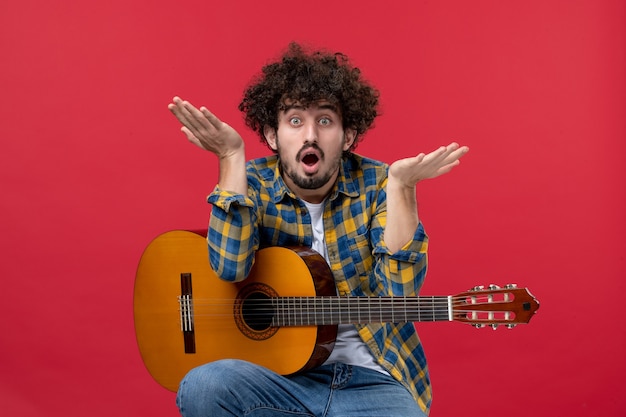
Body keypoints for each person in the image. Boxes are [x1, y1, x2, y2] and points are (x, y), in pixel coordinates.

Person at [168, 42, 468, 417]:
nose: (310, 135)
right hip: (277, 380)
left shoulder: (380, 184)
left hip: (372, 381)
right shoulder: (251, 185)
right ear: (274, 136)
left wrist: (402, 188)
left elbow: (397, 296)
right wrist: (231, 158)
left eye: (325, 121)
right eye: (295, 120)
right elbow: (230, 268)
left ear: (348, 136)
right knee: (204, 385)